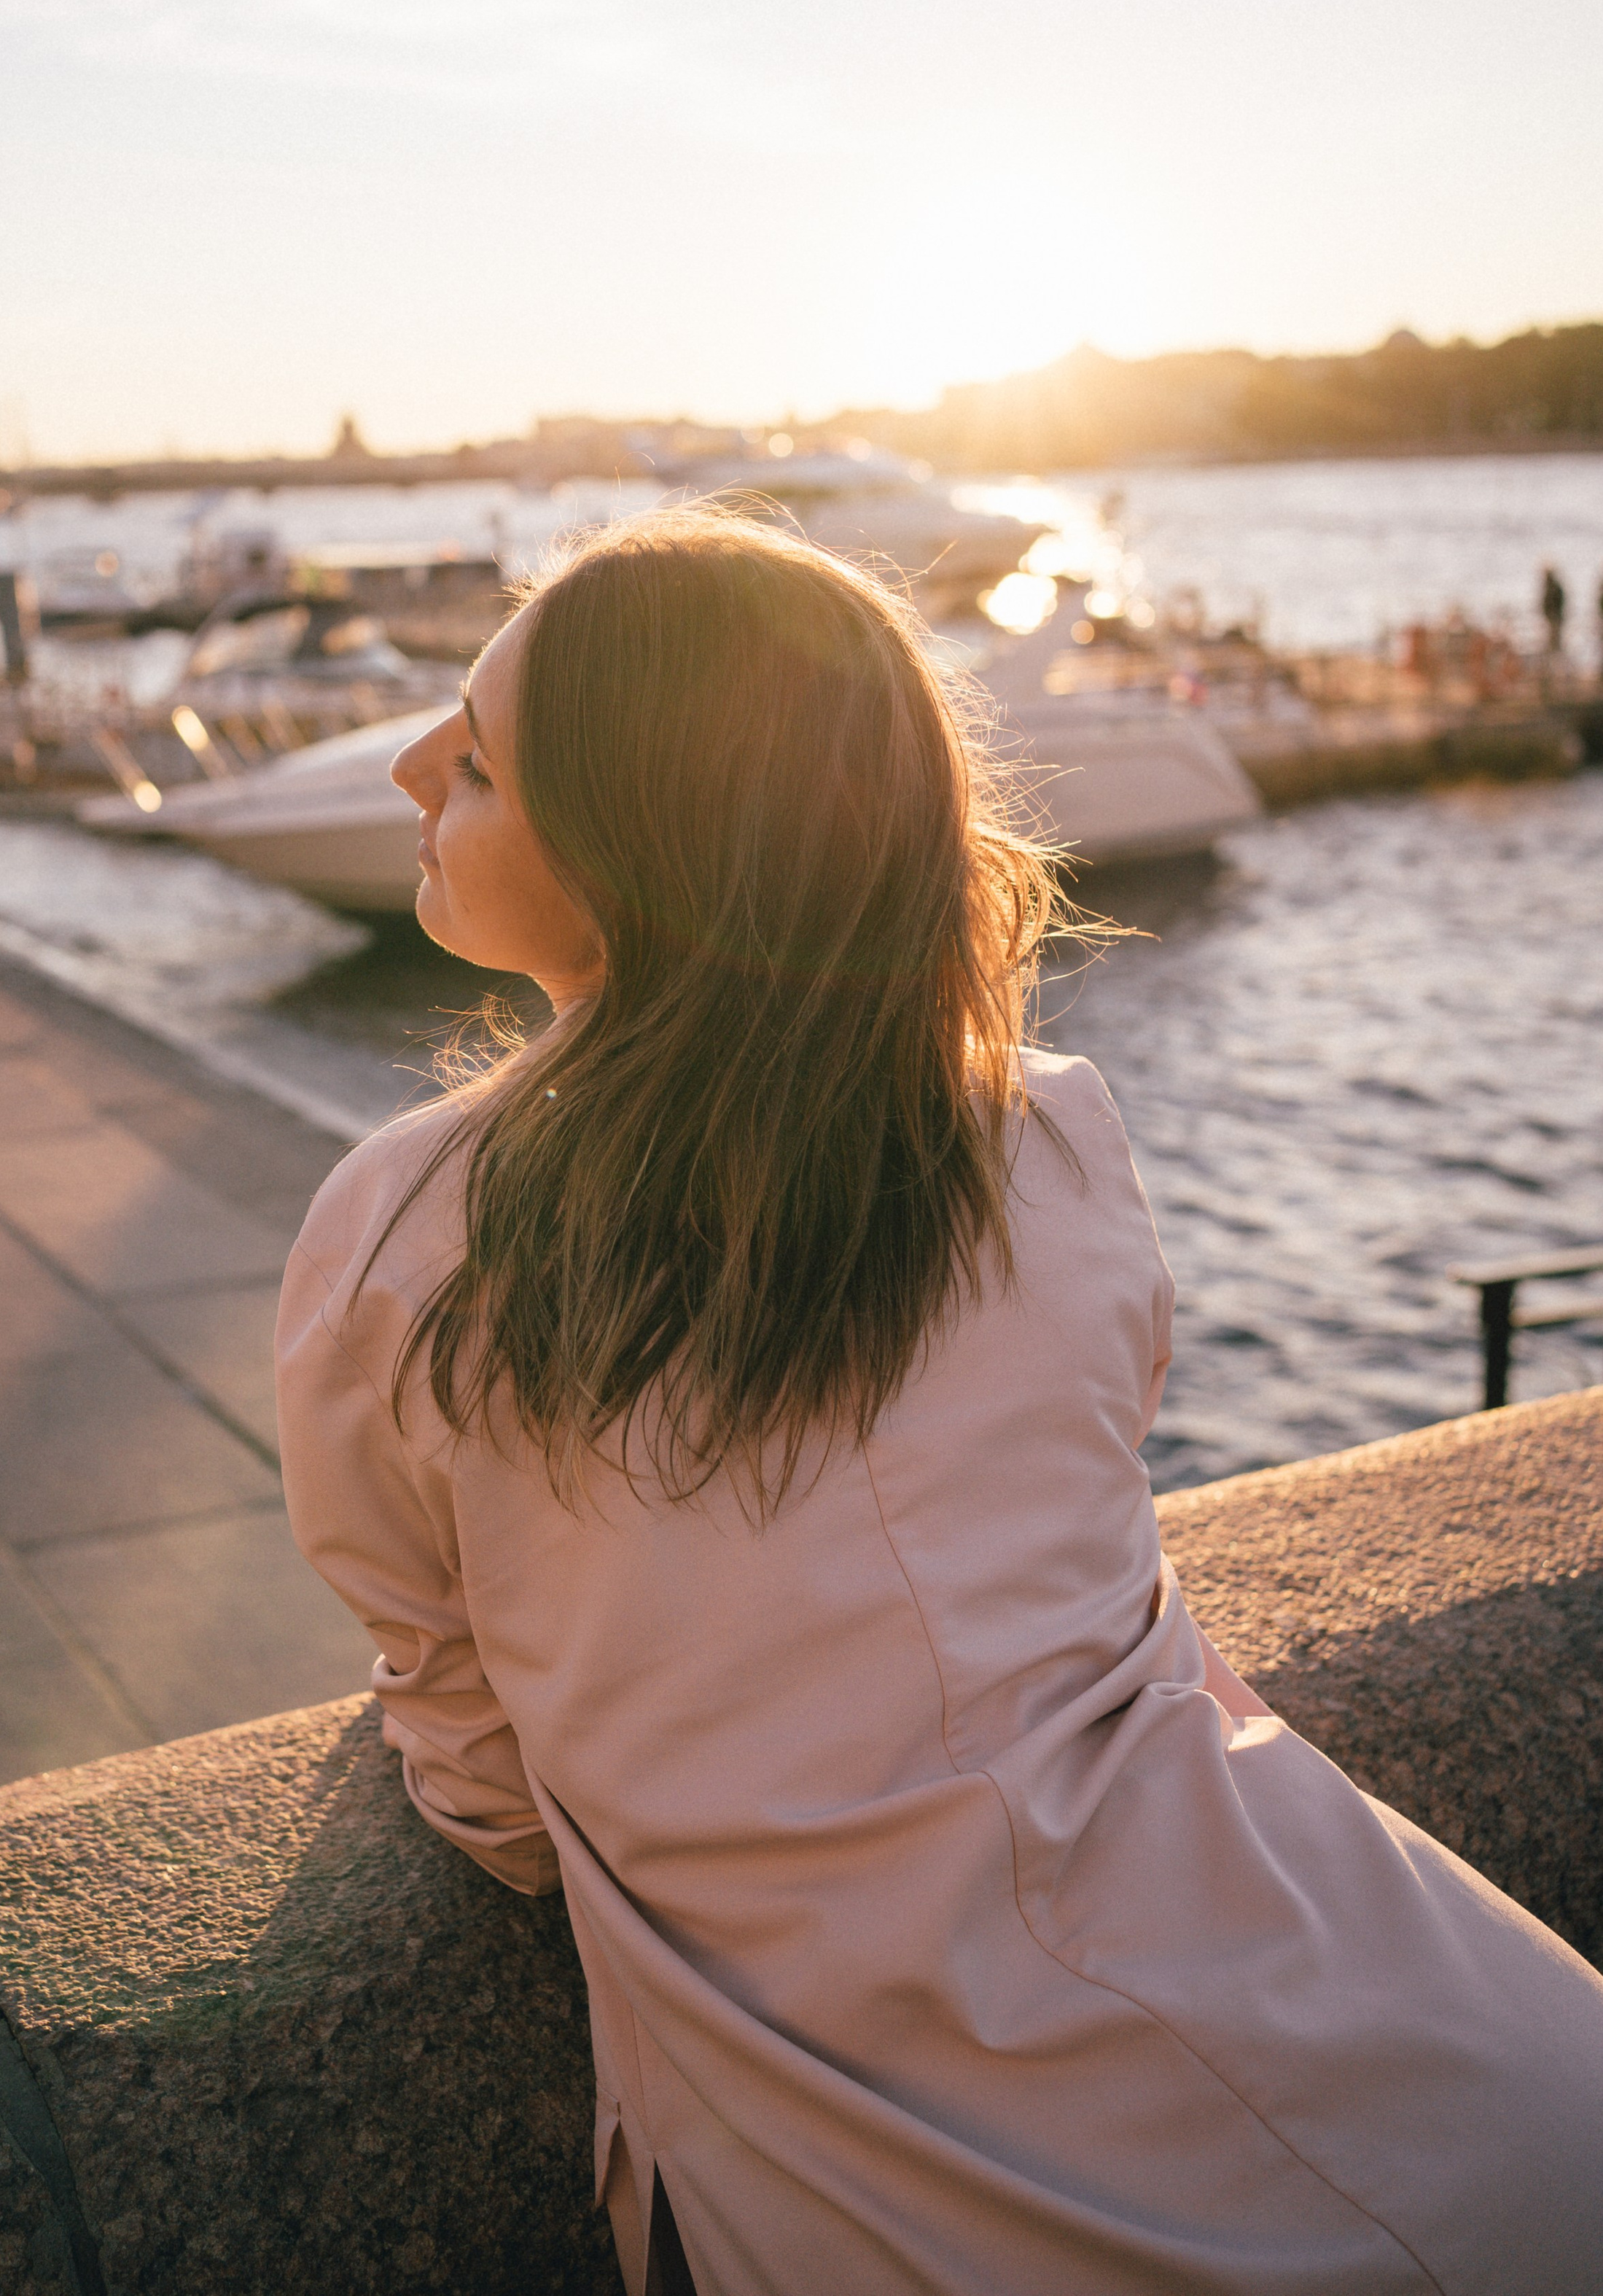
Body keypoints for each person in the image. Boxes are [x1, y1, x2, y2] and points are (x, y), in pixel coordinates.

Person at [276, 508, 1603, 2295]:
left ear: (641, 858)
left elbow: (471, 1744)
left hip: (940, 2184)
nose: (410, 761)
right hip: (1459, 2056)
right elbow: (1079, 1507)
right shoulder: (1048, 1128)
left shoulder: (401, 1232)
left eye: (484, 760)